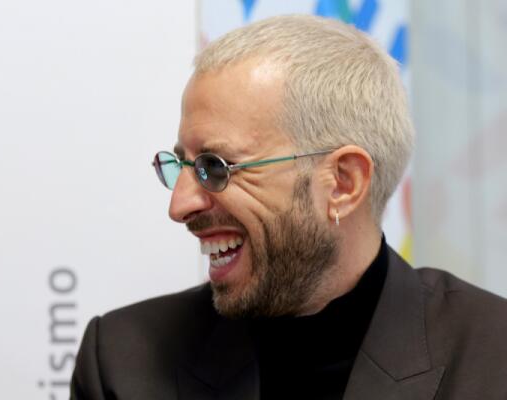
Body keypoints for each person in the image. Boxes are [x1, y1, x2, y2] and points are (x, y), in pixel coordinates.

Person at [70, 15, 507, 400]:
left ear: (343, 183)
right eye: (181, 163)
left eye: (215, 167)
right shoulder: (125, 361)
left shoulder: (493, 359)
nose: (180, 205)